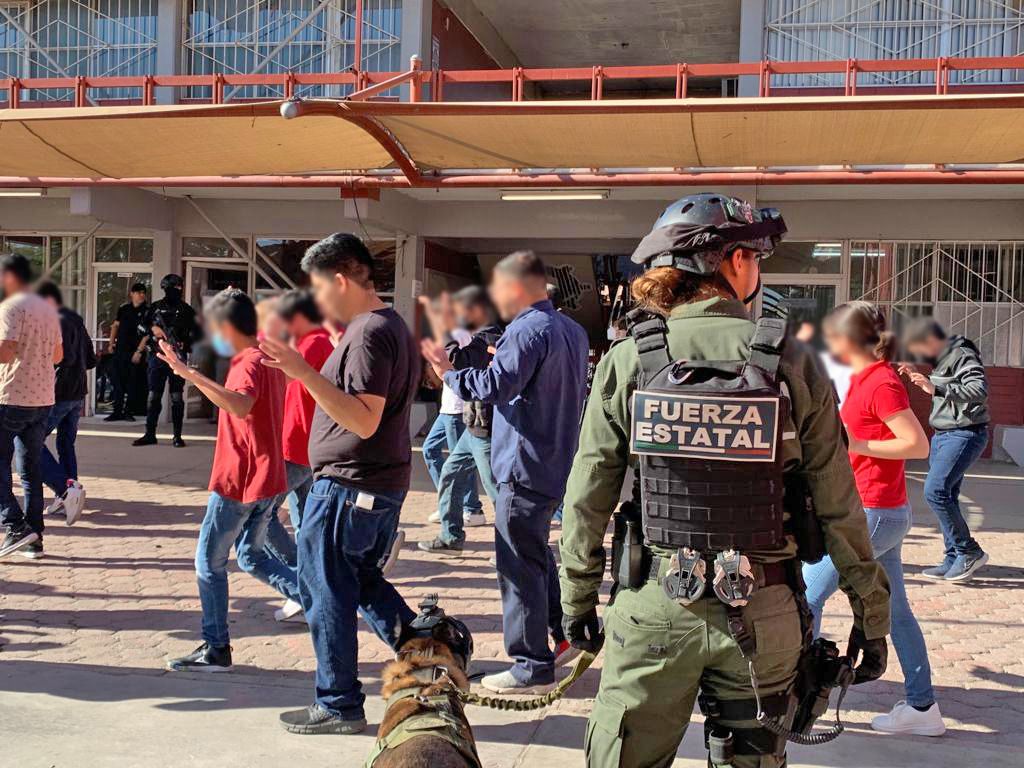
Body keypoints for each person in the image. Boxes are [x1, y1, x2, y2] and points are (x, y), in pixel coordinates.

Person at [558, 194, 890, 768]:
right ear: (734, 261)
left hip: (655, 610)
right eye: (755, 258)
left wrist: (576, 601)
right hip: (766, 615)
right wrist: (872, 617)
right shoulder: (793, 362)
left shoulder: (629, 360)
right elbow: (839, 505)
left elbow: (588, 495)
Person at [258, 233, 419, 735]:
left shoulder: (370, 332)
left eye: (318, 288)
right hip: (367, 485)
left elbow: (364, 419)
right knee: (360, 581)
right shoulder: (387, 326)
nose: (315, 299)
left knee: (326, 590)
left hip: (350, 488)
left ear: (341, 279)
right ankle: (432, 654)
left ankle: (338, 702)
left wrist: (303, 371)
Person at [421, 250, 590, 694]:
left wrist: (447, 373)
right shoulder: (570, 330)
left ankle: (530, 664)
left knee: (517, 566)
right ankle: (562, 636)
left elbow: (495, 387)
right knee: (534, 555)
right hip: (553, 460)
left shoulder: (527, 331)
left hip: (522, 463)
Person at [804, 302, 943, 737]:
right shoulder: (868, 377)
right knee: (896, 612)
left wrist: (859, 444)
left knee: (807, 595)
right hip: (880, 511)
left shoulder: (881, 382)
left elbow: (916, 444)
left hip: (874, 512)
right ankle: (923, 708)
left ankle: (796, 699)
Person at [163, 288, 300, 672]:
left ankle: (215, 646)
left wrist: (191, 376)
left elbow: (241, 405)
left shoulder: (249, 364)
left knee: (209, 562)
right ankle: (317, 599)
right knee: (252, 557)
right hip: (264, 477)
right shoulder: (267, 358)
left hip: (240, 479)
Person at [901, 318, 991, 582]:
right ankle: (953, 555)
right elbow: (947, 384)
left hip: (964, 433)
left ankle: (968, 550)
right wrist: (923, 377)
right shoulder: (942, 359)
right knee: (947, 495)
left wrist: (936, 387)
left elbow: (979, 389)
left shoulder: (961, 353)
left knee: (935, 491)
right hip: (944, 434)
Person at [267, 289, 335, 623]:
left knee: (259, 519)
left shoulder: (314, 343)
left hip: (299, 448)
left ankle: (303, 585)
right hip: (301, 446)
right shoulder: (309, 341)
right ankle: (314, 583)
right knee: (308, 525)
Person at [419, 285, 502, 554]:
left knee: (498, 491)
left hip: (487, 424)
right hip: (474, 423)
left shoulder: (491, 335)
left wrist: (443, 332)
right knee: (450, 473)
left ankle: (516, 549)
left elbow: (457, 362)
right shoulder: (482, 334)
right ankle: (451, 536)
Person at [0, 254, 63, 560]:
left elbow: (5, 352)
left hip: (11, 397)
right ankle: (34, 538)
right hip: (42, 398)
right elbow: (58, 355)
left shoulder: (10, 307)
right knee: (31, 471)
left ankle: (14, 526)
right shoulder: (47, 309)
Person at [37, 281, 96, 528]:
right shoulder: (76, 320)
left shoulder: (53, 322)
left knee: (31, 441)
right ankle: (71, 489)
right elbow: (91, 359)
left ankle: (65, 489)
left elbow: (59, 357)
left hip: (58, 392)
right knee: (65, 443)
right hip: (77, 391)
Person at [133, 274, 201, 447]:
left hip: (177, 357)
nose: (176, 291)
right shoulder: (155, 308)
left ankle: (177, 436)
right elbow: (140, 327)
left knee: (176, 397)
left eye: (178, 288)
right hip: (157, 356)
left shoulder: (186, 310)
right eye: (173, 288)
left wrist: (185, 342)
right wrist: (152, 328)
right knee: (153, 396)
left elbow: (198, 333)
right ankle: (150, 434)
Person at [106, 282, 148, 421]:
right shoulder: (124, 309)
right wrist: (111, 343)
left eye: (143, 292)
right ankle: (117, 411)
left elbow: (147, 334)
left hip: (135, 352)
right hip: (120, 350)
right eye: (138, 292)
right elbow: (115, 326)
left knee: (132, 383)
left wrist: (138, 352)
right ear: (132, 294)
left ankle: (129, 411)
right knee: (118, 382)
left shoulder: (147, 311)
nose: (141, 295)